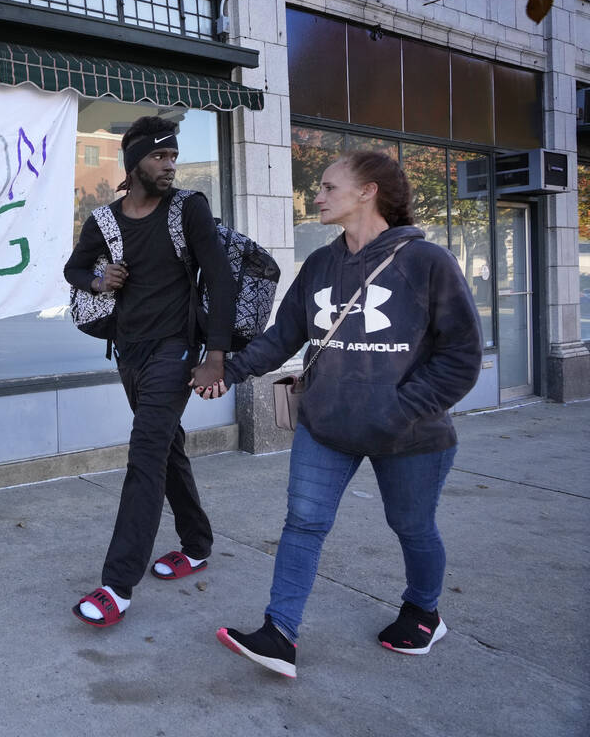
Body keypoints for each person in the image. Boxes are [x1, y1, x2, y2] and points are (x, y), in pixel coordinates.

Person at [197, 151, 482, 677]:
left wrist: (401, 409)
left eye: (329, 187)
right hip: (326, 427)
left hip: (410, 435)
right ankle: (279, 634)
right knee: (303, 523)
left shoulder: (427, 262)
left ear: (368, 191)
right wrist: (226, 373)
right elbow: (283, 336)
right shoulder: (320, 265)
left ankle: (424, 610)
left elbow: (461, 356)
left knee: (412, 526)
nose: (318, 196)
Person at [64, 115, 236, 627]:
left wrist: (215, 357)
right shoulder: (106, 221)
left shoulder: (189, 209)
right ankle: (198, 544)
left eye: (173, 157)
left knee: (145, 452)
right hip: (130, 350)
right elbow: (74, 268)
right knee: (166, 446)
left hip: (177, 350)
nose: (170, 166)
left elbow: (222, 281)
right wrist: (99, 278)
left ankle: (117, 586)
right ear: (134, 162)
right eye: (160, 157)